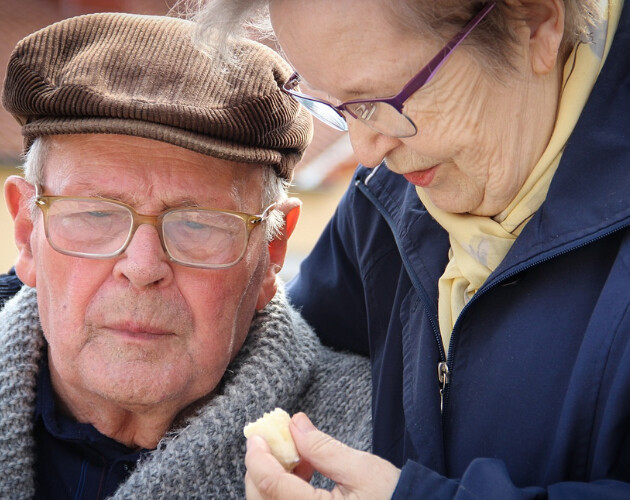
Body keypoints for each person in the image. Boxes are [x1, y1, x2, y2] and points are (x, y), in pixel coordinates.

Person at [193, 0, 630, 498]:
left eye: (388, 98)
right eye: (340, 106)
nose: (365, 151)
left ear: (534, 23)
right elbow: (297, 346)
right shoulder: (383, 205)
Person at [0, 13, 372, 500]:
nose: (143, 267)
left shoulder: (376, 443)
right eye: (94, 215)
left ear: (272, 250)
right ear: (27, 234)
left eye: (197, 224)